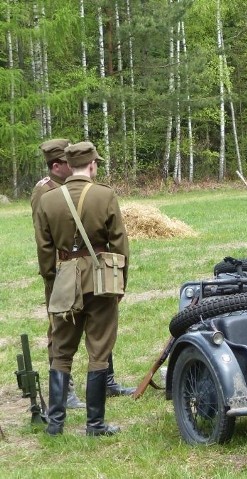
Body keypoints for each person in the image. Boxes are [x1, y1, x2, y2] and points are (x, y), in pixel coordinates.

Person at [35, 141, 129, 435]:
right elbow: (120, 244)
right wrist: (120, 281)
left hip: (64, 279)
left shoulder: (47, 200)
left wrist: (54, 280)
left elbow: (44, 250)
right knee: (99, 351)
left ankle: (55, 424)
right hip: (101, 281)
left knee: (61, 352)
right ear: (91, 165)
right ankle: (95, 424)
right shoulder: (105, 195)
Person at [31, 139, 87, 410]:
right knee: (60, 327)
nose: (74, 164)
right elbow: (44, 239)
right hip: (59, 270)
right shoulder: (45, 192)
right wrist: (52, 274)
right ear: (57, 166)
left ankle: (105, 380)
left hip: (78, 265)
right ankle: (63, 392)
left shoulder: (66, 187)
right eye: (68, 161)